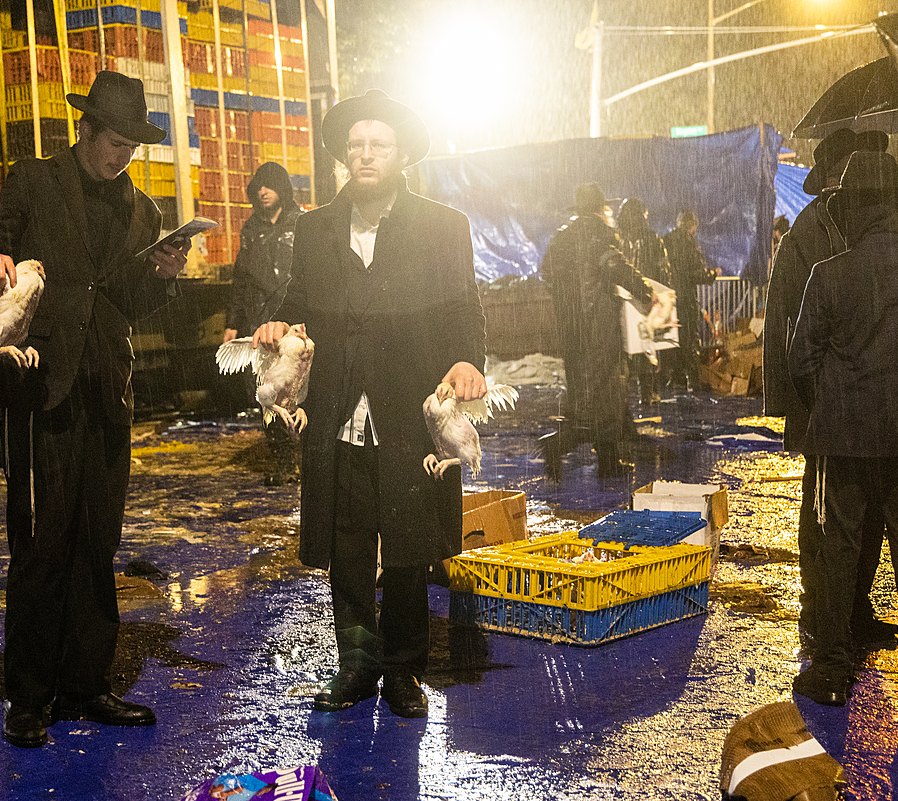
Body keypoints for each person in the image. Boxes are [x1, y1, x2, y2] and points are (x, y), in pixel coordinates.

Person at [0, 71, 190, 747]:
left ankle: (86, 684)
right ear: (84, 130)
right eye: (112, 141)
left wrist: (162, 280)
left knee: (96, 541)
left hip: (106, 392)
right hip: (38, 388)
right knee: (40, 540)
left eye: (130, 147)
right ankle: (28, 695)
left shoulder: (141, 210)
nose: (119, 156)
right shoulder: (34, 180)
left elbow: (129, 303)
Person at [251, 90, 486, 719]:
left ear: (401, 154)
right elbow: (299, 300)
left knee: (407, 546)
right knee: (348, 545)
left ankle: (404, 671)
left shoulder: (442, 227)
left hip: (410, 407)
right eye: (354, 145)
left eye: (377, 144)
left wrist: (468, 362)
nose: (364, 155)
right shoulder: (316, 227)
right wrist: (279, 325)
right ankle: (356, 666)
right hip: (336, 411)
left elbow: (465, 310)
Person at [787, 150, 898, 713]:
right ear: (893, 208)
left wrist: (839, 403)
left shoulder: (830, 275)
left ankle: (836, 670)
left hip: (846, 440)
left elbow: (801, 360)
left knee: (842, 551)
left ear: (854, 209)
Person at [763, 127, 898, 655]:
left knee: (864, 519)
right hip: (826, 406)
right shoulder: (811, 234)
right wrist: (817, 404)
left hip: (862, 404)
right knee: (825, 517)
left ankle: (854, 608)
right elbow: (800, 335)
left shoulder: (851, 226)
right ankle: (823, 609)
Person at [538, 184, 653, 481]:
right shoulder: (596, 233)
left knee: (592, 396)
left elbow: (547, 271)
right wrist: (644, 290)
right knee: (602, 396)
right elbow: (614, 265)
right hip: (598, 329)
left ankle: (609, 461)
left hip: (573, 331)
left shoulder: (562, 238)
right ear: (598, 208)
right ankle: (558, 445)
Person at [224, 161, 303, 484]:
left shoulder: (303, 224)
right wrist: (233, 321)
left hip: (295, 324)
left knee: (300, 392)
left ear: (282, 188)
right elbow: (240, 279)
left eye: (269, 185)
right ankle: (285, 462)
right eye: (258, 186)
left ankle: (308, 456)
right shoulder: (251, 229)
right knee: (266, 395)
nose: (263, 191)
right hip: (258, 321)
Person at [617, 198, 670, 403]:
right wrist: (659, 292)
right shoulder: (652, 239)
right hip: (647, 296)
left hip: (622, 298)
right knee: (646, 344)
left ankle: (622, 393)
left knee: (624, 345)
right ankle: (647, 392)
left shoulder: (617, 238)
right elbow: (663, 270)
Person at [662, 209, 718, 392]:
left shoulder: (666, 241)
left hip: (669, 298)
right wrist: (712, 274)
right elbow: (696, 273)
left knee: (672, 337)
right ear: (692, 226)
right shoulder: (688, 243)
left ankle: (674, 377)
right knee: (690, 339)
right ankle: (693, 380)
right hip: (686, 298)